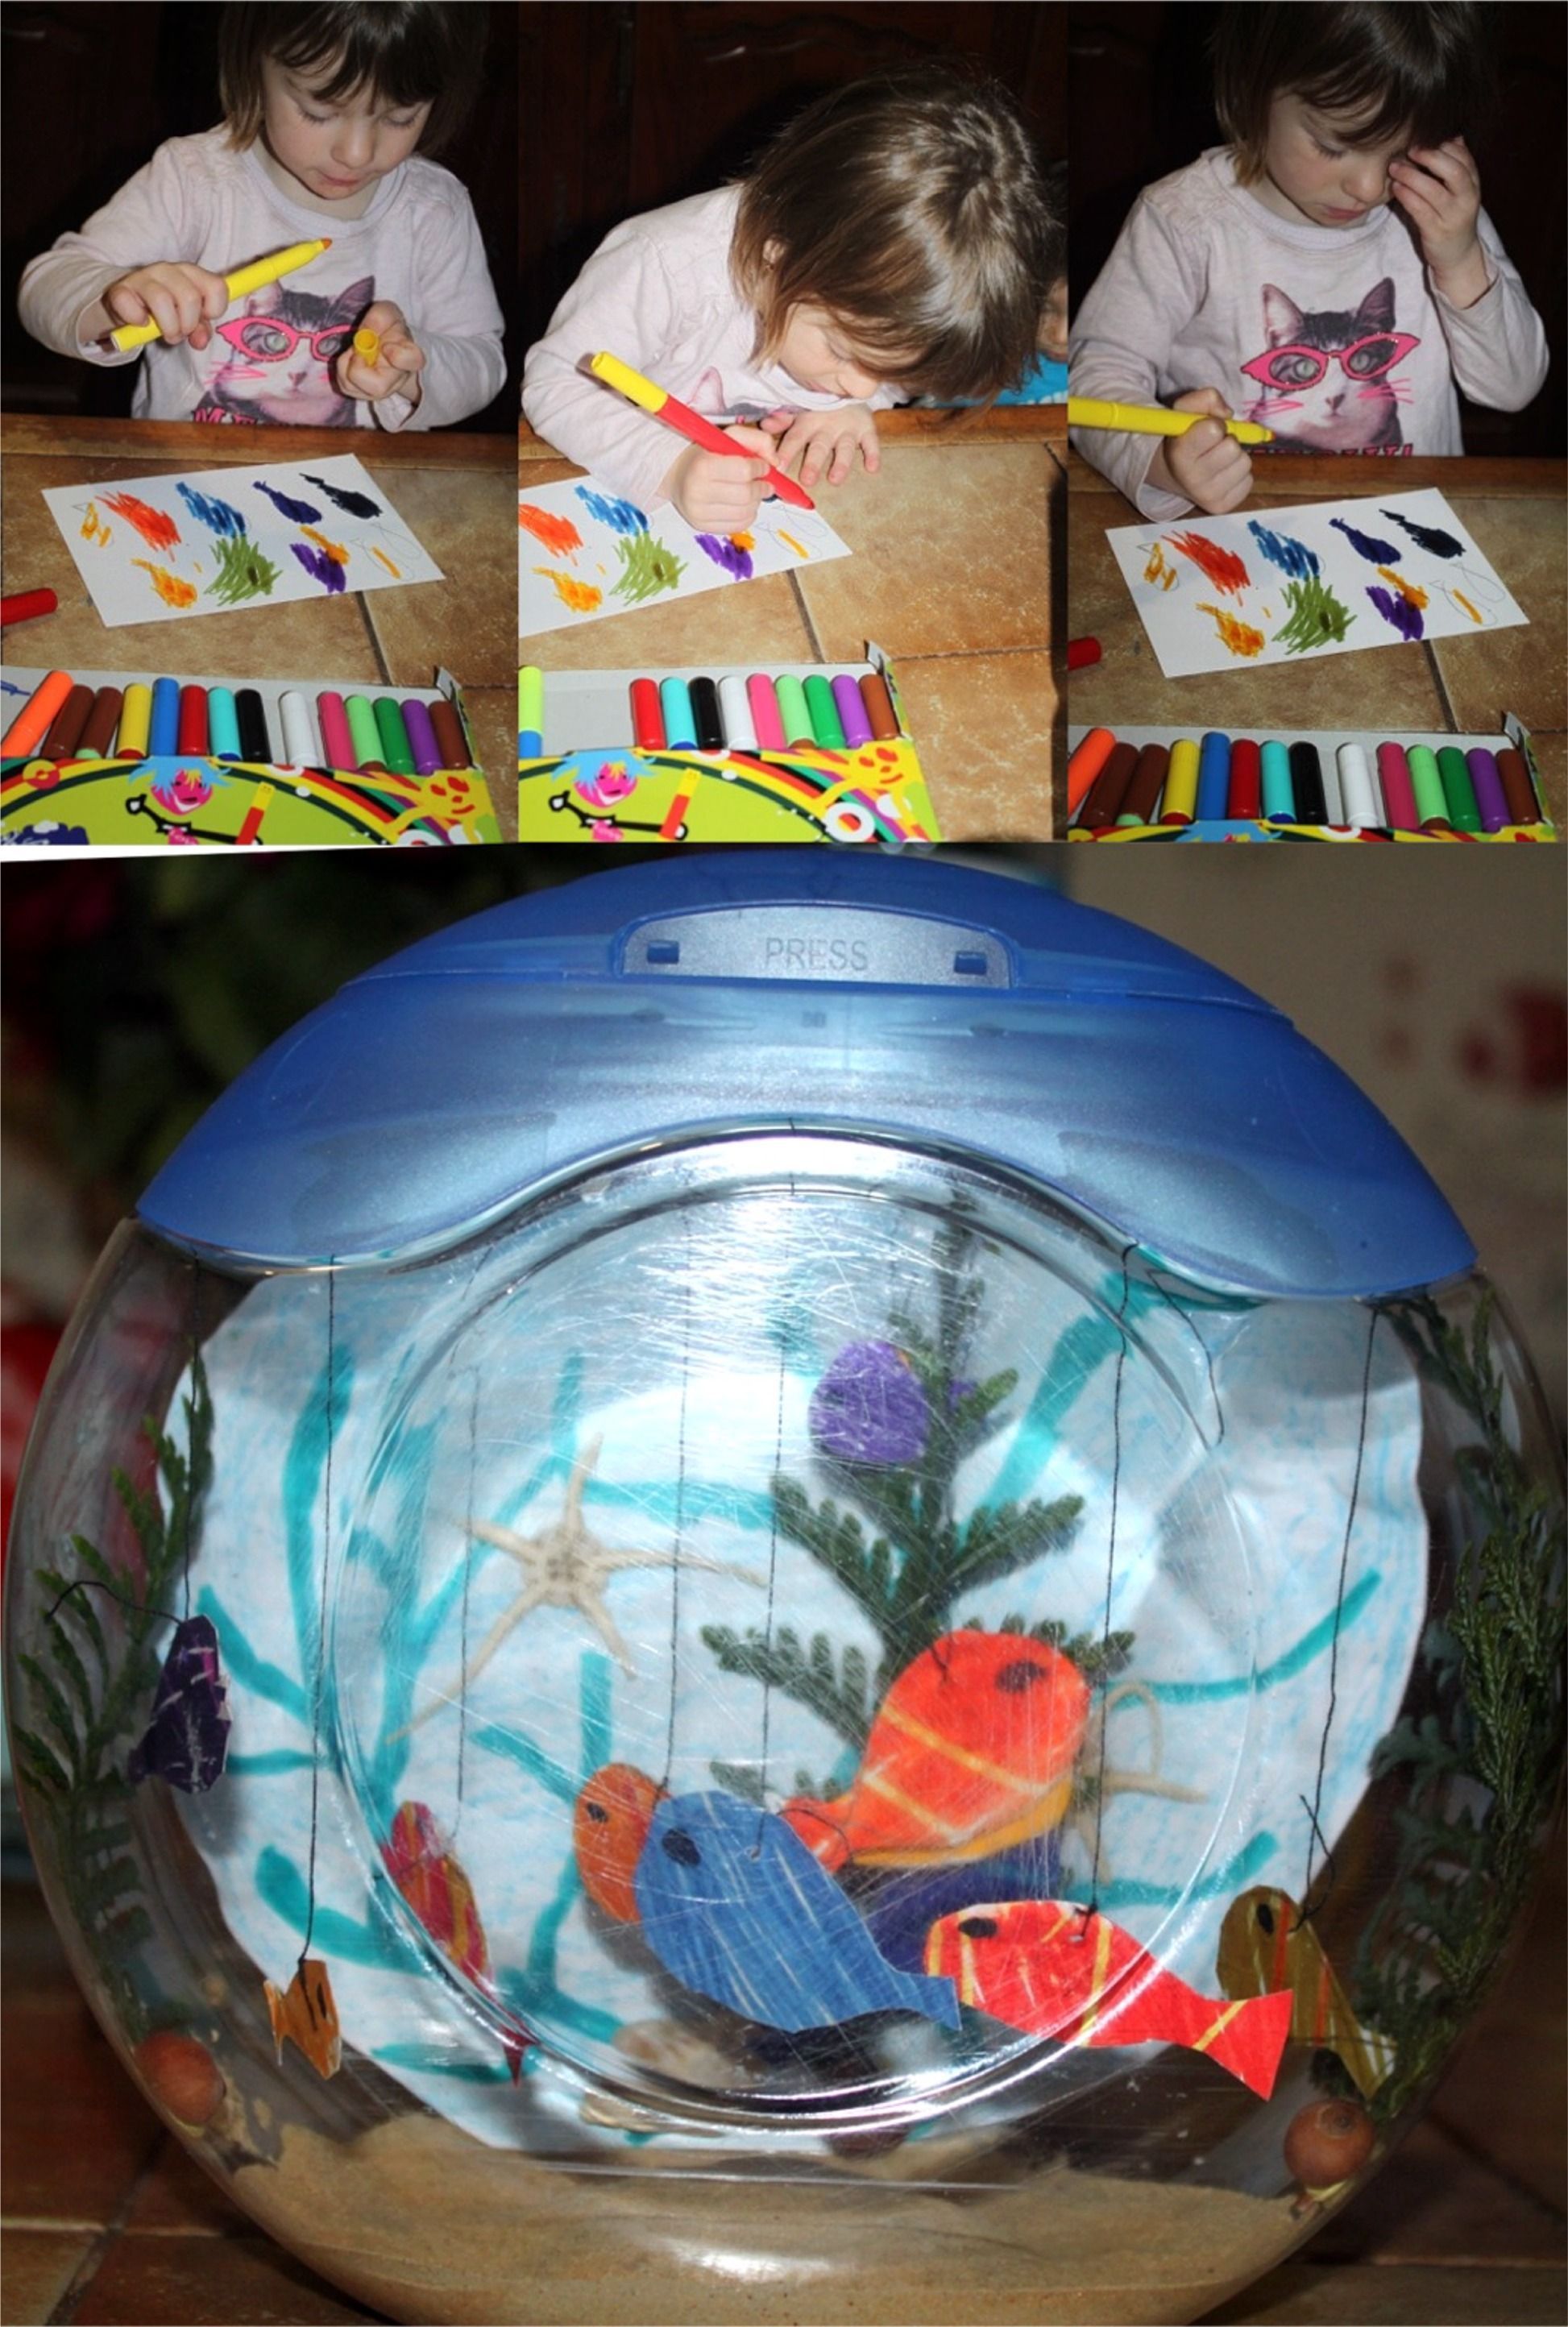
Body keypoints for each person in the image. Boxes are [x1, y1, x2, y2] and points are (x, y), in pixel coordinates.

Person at [522, 67, 1056, 530]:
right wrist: (672, 466)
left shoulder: (862, 321)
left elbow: (871, 382)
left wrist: (856, 409)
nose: (863, 384)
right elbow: (555, 382)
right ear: (775, 259)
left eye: (892, 371)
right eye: (844, 353)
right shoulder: (664, 263)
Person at [1069, 2, 1548, 516]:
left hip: (1416, 527)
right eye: (1333, 145)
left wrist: (1460, 261)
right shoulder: (1184, 221)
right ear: (1253, 88)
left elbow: (1513, 388)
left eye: (1402, 152)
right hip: (1245, 534)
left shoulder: (1441, 212)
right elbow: (1093, 382)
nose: (1369, 187)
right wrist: (1163, 464)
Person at [17, 2, 504, 430]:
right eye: (319, 111)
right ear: (254, 63)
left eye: (400, 117)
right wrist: (119, 297)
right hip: (186, 477)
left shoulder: (434, 208)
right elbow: (43, 288)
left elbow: (484, 363)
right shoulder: (195, 178)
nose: (357, 153)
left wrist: (413, 366)